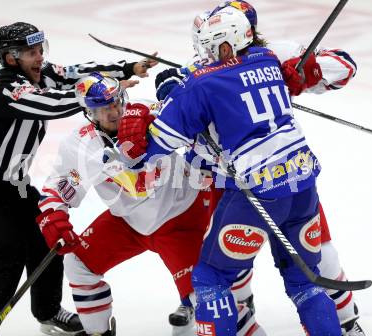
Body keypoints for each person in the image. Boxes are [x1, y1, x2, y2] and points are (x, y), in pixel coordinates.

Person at [118, 6, 344, 336]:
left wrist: (141, 119)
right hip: (303, 185)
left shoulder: (199, 84)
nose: (203, 55)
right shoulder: (269, 60)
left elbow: (147, 152)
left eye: (208, 48)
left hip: (258, 193)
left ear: (225, 46)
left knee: (210, 279)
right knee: (305, 284)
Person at [0, 21, 156, 336]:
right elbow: (50, 104)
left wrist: (126, 67)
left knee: (47, 238)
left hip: (15, 184)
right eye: (31, 53)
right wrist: (98, 98)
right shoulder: (5, 86)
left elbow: (78, 72)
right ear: (11, 59)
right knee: (5, 253)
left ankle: (47, 311)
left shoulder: (42, 72)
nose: (39, 58)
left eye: (40, 50)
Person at [36, 72, 228, 336]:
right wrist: (54, 216)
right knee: (78, 265)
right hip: (127, 222)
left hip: (179, 219)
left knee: (206, 294)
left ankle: (233, 307)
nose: (114, 111)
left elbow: (202, 127)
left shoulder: (147, 112)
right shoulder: (80, 144)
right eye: (104, 108)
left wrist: (175, 93)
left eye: (116, 102)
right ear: (89, 113)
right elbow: (59, 185)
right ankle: (97, 333)